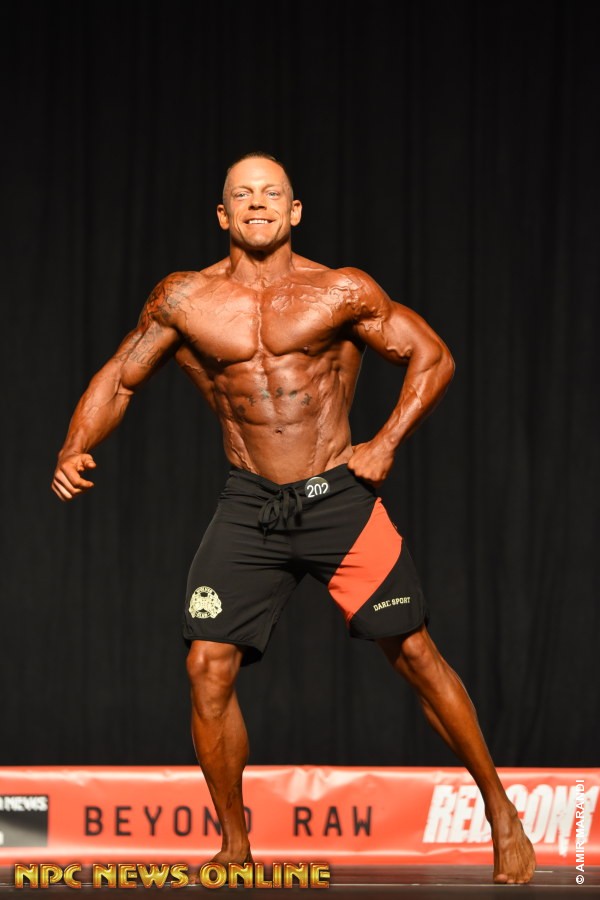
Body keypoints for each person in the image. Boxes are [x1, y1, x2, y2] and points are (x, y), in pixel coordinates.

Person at [52, 152, 536, 884]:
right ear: (223, 214)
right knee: (205, 665)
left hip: (337, 498)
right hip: (252, 504)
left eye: (271, 193)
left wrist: (386, 442)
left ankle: (500, 809)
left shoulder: (339, 289)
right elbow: (121, 378)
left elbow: (432, 357)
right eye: (242, 195)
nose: (257, 203)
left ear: (294, 210)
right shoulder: (184, 299)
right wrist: (75, 444)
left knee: (413, 652)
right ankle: (235, 844)